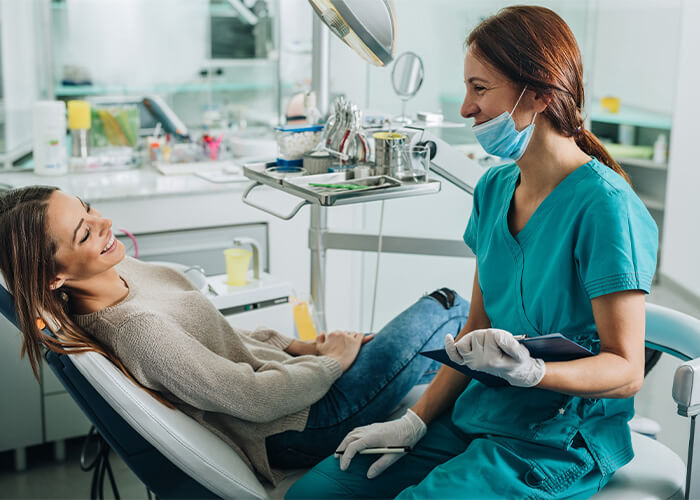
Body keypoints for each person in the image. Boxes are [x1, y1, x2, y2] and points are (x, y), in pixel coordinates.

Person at [286, 5, 658, 499]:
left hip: (554, 439)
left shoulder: (605, 208)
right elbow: (473, 330)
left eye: (480, 89)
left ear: (541, 94)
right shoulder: (495, 187)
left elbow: (627, 369)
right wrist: (413, 423)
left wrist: (534, 372)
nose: (466, 108)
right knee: (314, 494)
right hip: (478, 413)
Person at [0, 185, 470, 486]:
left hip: (296, 384)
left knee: (428, 348)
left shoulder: (120, 271)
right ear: (54, 277)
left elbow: (215, 331)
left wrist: (299, 346)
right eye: (84, 232)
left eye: (87, 207)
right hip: (301, 425)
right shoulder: (136, 329)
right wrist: (332, 362)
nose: (103, 223)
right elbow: (251, 399)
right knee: (449, 306)